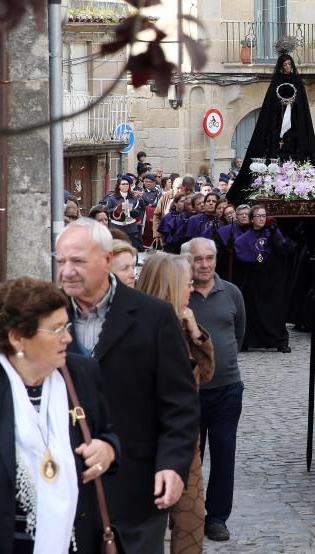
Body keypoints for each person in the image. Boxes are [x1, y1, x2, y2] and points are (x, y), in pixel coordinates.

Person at [57, 219, 200, 552]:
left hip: (137, 490)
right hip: (67, 491)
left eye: (78, 261)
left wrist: (172, 464)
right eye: (61, 261)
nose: (67, 271)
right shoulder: (48, 316)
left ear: (107, 260)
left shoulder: (154, 317)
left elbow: (179, 404)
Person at [0, 278, 119, 554]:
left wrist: (108, 450)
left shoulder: (83, 374)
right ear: (17, 337)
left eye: (67, 326)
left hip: (76, 543)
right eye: (56, 329)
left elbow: (107, 433)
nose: (68, 338)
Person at [137, 253, 215, 554]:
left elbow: (206, 373)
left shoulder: (184, 324)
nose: (192, 289)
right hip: (145, 442)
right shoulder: (138, 328)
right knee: (146, 525)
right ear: (170, 286)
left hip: (185, 442)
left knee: (192, 520)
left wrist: (195, 331)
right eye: (187, 283)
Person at [181, 238, 246, 542]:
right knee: (187, 455)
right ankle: (184, 513)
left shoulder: (231, 292)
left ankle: (217, 517)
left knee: (224, 453)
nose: (205, 265)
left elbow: (238, 333)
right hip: (188, 391)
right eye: (198, 259)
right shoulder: (178, 295)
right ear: (186, 262)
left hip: (227, 389)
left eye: (210, 258)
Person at [227, 53, 315, 203]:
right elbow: (269, 109)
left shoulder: (297, 82)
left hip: (295, 126)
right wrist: (281, 105)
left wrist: (293, 104)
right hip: (277, 128)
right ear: (280, 67)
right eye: (285, 65)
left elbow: (302, 109)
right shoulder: (276, 83)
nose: (288, 67)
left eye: (290, 64)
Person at [233, 205, 297, 351]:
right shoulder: (245, 238)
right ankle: (250, 341)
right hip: (256, 279)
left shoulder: (272, 232)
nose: (261, 219)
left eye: (264, 216)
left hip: (273, 279)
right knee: (254, 310)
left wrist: (274, 235)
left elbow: (284, 250)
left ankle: (279, 341)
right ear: (252, 219)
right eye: (258, 216)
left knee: (276, 310)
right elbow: (244, 255)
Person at [105, 177, 144, 249]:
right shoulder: (112, 198)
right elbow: (107, 211)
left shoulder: (133, 198)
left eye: (127, 184)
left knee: (131, 248)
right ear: (118, 185)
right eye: (123, 184)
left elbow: (138, 212)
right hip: (117, 227)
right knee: (117, 248)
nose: (125, 186)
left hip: (131, 227)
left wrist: (130, 209)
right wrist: (117, 209)